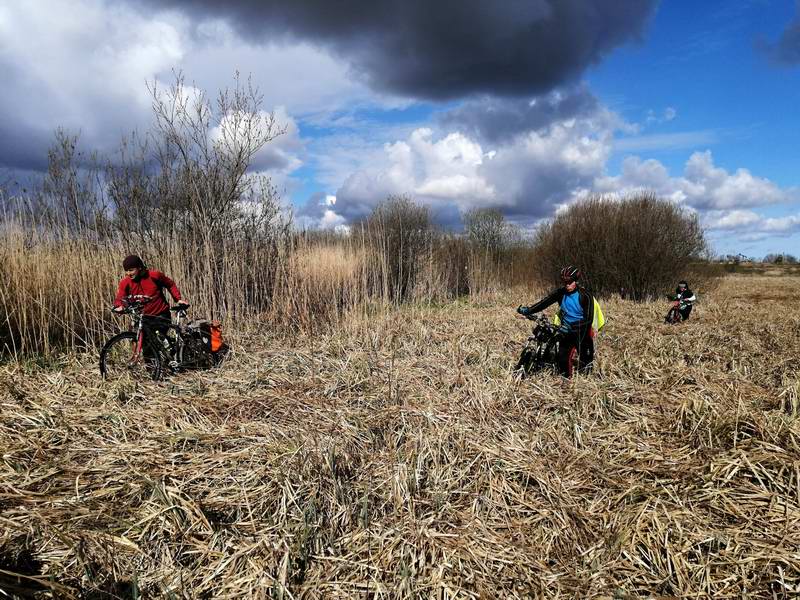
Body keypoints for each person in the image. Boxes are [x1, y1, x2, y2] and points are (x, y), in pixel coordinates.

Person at [517, 266, 595, 377]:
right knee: (563, 361)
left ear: (576, 281)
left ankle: (586, 384)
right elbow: (545, 302)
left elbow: (589, 320)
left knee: (586, 363)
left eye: (569, 282)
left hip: (582, 330)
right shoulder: (561, 293)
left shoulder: (585, 295)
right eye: (564, 282)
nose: (567, 285)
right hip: (566, 330)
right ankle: (566, 385)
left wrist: (572, 327)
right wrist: (528, 310)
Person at [113, 255, 188, 335]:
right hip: (142, 317)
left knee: (157, 341)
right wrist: (119, 306)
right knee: (137, 340)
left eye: (131, 270)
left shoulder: (154, 276)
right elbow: (120, 297)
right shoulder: (125, 283)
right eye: (126, 271)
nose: (128, 274)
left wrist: (178, 299)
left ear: (139, 267)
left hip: (161, 315)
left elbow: (170, 284)